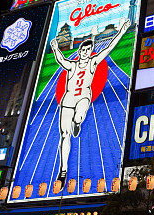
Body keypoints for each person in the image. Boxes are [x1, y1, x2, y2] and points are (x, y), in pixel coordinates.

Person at [50, 18, 131, 183]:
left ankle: (78, 123)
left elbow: (108, 49)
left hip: (84, 97)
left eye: (89, 49)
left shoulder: (93, 62)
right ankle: (63, 169)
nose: (87, 52)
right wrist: (55, 48)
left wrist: (122, 31)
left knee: (79, 116)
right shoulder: (72, 65)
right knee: (64, 134)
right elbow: (61, 61)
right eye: (84, 50)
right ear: (80, 52)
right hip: (67, 100)